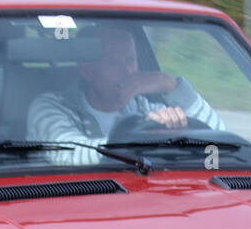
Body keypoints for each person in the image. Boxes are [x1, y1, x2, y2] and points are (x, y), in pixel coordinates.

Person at [26, 23, 223, 163]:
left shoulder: (148, 109)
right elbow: (70, 154)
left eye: (130, 60)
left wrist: (171, 85)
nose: (127, 71)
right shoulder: (49, 107)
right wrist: (145, 138)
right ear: (87, 70)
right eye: (113, 63)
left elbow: (220, 139)